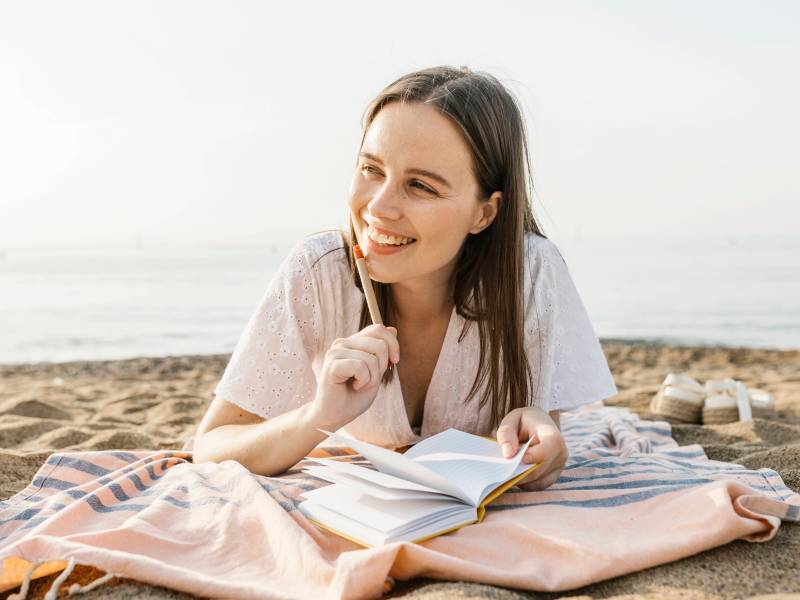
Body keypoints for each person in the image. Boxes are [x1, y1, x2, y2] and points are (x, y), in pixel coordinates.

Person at [192, 65, 617, 490]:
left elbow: (541, 435)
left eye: (421, 186)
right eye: (371, 170)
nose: (378, 208)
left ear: (484, 212)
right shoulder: (318, 270)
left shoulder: (532, 274)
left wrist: (541, 437)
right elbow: (211, 447)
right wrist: (318, 415)